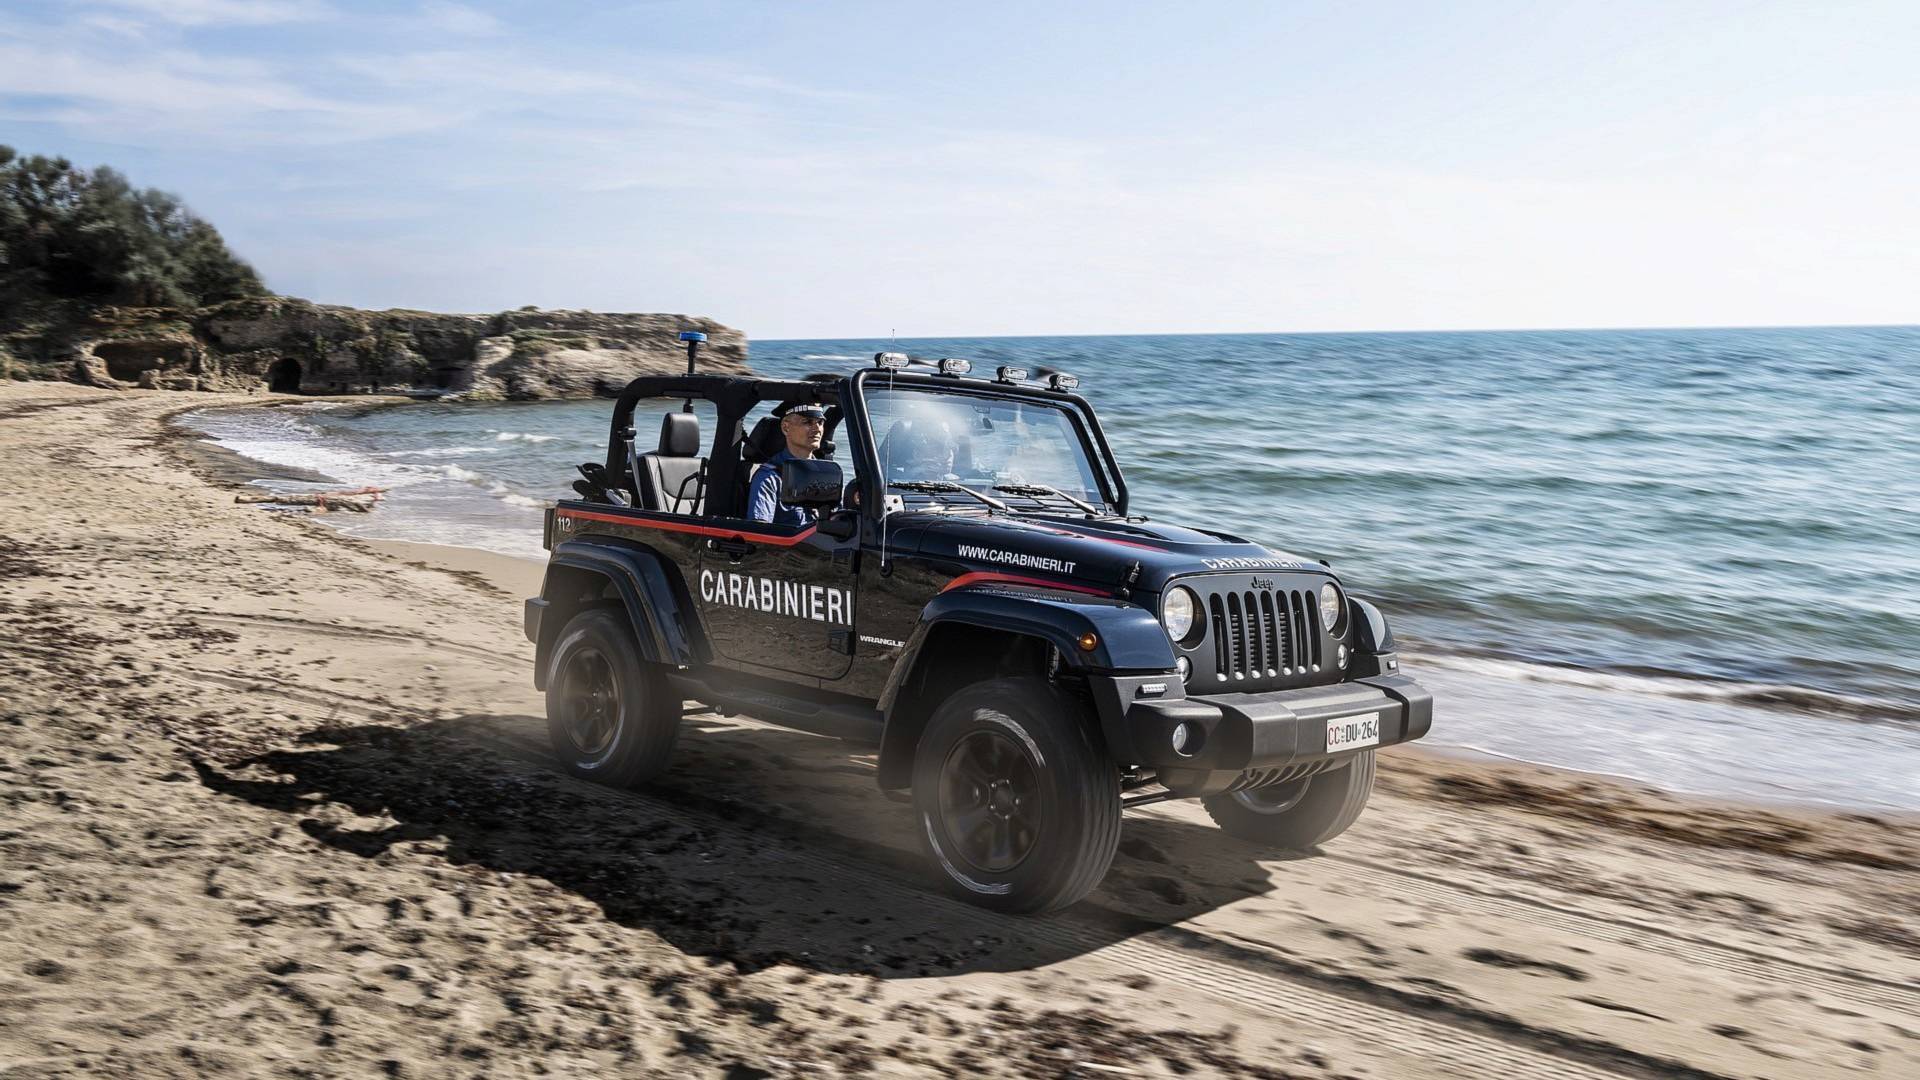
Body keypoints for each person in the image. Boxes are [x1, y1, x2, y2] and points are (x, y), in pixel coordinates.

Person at [747, 403, 826, 525]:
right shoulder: (769, 478)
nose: (817, 429)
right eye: (807, 422)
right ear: (785, 427)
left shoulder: (825, 474)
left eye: (820, 422)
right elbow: (760, 533)